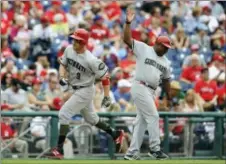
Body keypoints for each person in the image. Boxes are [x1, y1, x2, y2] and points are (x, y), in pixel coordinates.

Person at [48, 28, 124, 159]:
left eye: (76, 40)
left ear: (83, 42)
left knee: (63, 114)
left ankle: (58, 150)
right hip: (74, 88)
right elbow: (62, 64)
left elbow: (105, 76)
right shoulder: (69, 50)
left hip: (86, 90)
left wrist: (106, 95)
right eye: (73, 39)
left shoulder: (91, 59)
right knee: (91, 119)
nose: (73, 42)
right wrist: (61, 77)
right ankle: (115, 134)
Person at [123, 7, 170, 160]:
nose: (166, 50)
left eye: (167, 48)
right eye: (164, 46)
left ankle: (132, 152)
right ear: (157, 43)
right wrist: (128, 24)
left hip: (152, 90)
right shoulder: (144, 49)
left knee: (141, 122)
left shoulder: (166, 62)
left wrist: (168, 97)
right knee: (153, 116)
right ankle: (155, 149)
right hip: (140, 85)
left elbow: (167, 80)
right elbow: (127, 40)